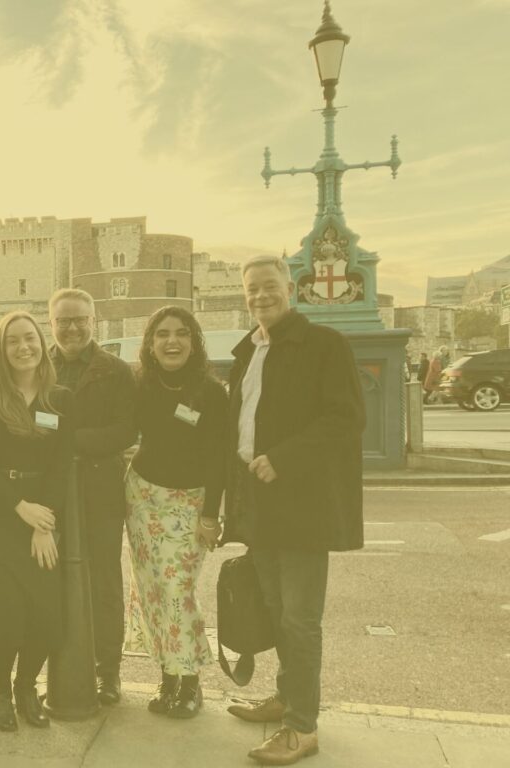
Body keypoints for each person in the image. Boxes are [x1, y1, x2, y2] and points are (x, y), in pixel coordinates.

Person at [223, 255, 364, 765]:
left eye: (269, 286)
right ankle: (288, 699)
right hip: (258, 502)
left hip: (301, 504)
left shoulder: (325, 345)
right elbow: (238, 428)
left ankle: (301, 727)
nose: (260, 296)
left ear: (290, 288)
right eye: (251, 290)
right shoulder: (250, 352)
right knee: (278, 613)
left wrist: (283, 459)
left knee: (301, 619)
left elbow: (345, 420)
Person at [0, 311, 74, 732]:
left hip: (40, 519)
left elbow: (61, 465)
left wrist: (43, 525)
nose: (23, 347)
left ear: (40, 343)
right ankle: (0, 692)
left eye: (29, 338)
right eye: (13, 341)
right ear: (2, 349)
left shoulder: (59, 398)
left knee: (48, 616)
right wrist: (20, 507)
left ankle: (27, 686)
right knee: (7, 612)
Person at [125, 306, 227, 720]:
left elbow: (220, 457)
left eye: (182, 333)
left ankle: (190, 684)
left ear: (194, 341)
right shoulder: (139, 386)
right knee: (150, 592)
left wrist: (210, 515)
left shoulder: (211, 392)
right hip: (143, 498)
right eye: (162, 334)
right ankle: (168, 675)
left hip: (190, 502)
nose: (172, 341)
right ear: (150, 344)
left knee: (177, 591)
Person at [47, 288, 136, 704]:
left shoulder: (115, 370)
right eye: (64, 320)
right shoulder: (37, 366)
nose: (72, 327)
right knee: (52, 578)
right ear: (52, 323)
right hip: (48, 491)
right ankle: (61, 665)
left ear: (93, 320)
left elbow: (125, 431)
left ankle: (108, 671)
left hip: (100, 489)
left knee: (103, 580)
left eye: (80, 319)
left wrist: (70, 442)